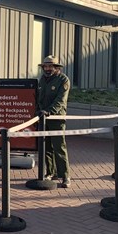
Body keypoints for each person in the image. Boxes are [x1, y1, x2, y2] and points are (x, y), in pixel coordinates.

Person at [37, 55, 71, 188]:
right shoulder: (42, 80)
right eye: (45, 66)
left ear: (57, 68)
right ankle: (50, 172)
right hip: (43, 118)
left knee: (59, 147)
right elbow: (38, 97)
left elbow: (61, 101)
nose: (47, 69)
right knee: (46, 147)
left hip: (56, 118)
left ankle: (65, 176)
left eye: (50, 66)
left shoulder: (63, 80)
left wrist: (49, 111)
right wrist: (39, 111)